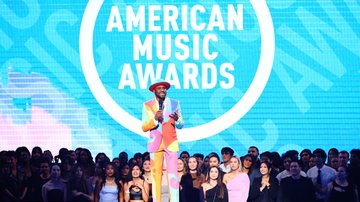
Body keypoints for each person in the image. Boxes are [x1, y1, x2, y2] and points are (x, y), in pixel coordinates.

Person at [142, 79, 184, 202]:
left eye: (164, 88)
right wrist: (155, 119)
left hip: (171, 142)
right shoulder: (148, 105)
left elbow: (181, 125)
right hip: (155, 144)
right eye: (159, 88)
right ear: (154, 90)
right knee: (156, 176)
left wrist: (177, 120)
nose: (162, 90)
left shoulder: (175, 103)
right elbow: (144, 126)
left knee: (173, 176)